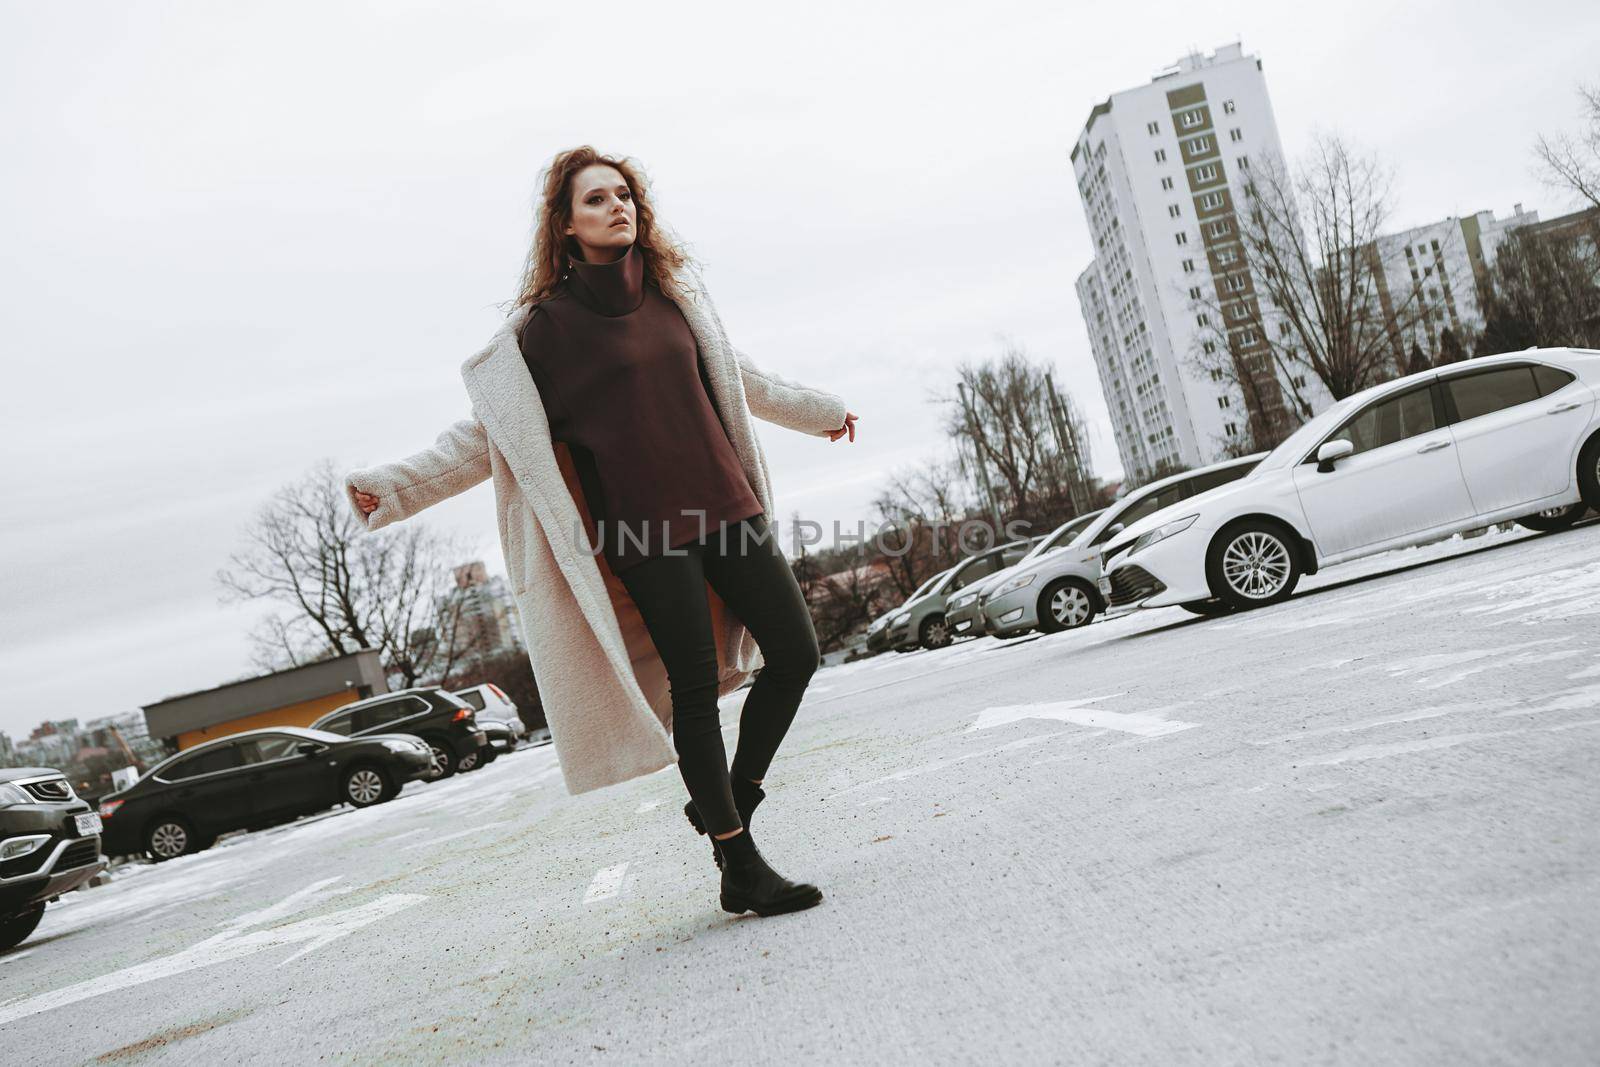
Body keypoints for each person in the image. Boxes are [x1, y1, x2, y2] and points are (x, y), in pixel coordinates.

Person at [347, 147, 857, 917]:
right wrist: (393, 487)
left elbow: (741, 377)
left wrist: (821, 411)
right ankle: (737, 861)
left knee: (795, 651)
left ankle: (732, 801)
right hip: (644, 533)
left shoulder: (675, 296)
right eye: (597, 200)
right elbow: (490, 437)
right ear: (565, 224)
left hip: (727, 507)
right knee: (694, 690)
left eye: (625, 195)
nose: (618, 207)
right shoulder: (545, 333)